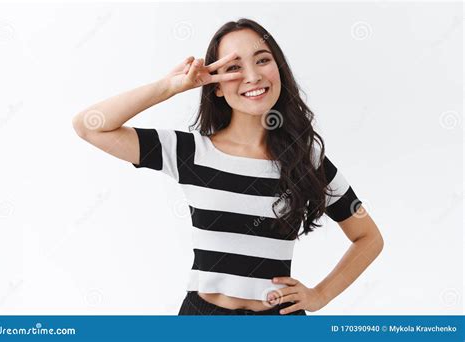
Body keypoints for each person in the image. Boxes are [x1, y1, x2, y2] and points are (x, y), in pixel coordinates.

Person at [72, 18, 384, 316]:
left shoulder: (307, 159)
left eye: (262, 60)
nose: (252, 76)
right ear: (216, 86)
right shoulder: (189, 152)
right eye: (233, 67)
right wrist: (169, 87)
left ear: (279, 69)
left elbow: (369, 237)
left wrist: (320, 295)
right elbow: (89, 126)